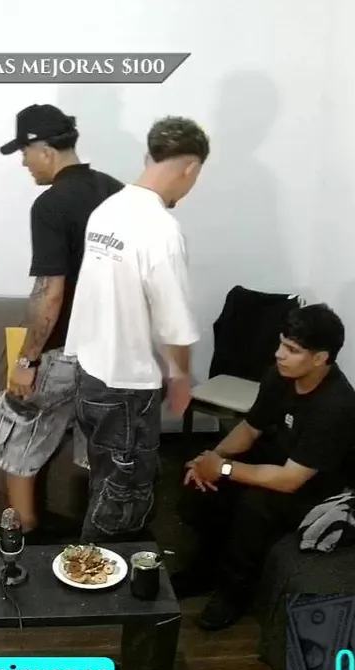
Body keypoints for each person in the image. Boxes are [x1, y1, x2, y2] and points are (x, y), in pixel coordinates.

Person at [62, 116, 209, 543]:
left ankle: (110, 568)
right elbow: (174, 322)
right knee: (122, 499)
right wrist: (180, 377)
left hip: (89, 374)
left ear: (149, 157)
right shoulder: (161, 229)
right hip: (126, 387)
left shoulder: (107, 211)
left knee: (107, 481)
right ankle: (87, 575)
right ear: (191, 167)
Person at [172, 303, 355, 631]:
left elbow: (290, 480)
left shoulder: (335, 407)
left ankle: (233, 593)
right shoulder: (280, 375)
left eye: (292, 350)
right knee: (201, 482)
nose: (279, 354)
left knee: (255, 504)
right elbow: (250, 428)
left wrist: (224, 468)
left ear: (321, 358)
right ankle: (204, 568)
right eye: (281, 344)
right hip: (280, 461)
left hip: (316, 487)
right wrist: (211, 458)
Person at [0, 104, 124, 535]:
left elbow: (50, 293)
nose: (24, 164)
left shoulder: (50, 204)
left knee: (16, 428)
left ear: (44, 149)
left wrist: (27, 361)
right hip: (114, 352)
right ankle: (92, 543)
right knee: (97, 448)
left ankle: (21, 534)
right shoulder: (117, 193)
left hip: (66, 350)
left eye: (24, 153)